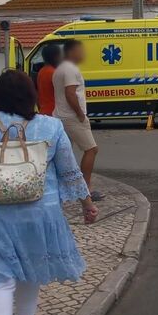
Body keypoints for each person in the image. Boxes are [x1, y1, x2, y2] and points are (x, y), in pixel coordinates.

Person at [0, 70, 98, 315]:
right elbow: (69, 171)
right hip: (39, 214)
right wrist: (87, 205)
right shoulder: (51, 126)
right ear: (30, 96)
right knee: (30, 273)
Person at [53, 39, 103, 201]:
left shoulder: (60, 69)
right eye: (79, 50)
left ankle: (67, 188)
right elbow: (70, 93)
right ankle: (86, 189)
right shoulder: (69, 69)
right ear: (71, 52)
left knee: (65, 155)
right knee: (91, 149)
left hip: (61, 116)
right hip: (72, 117)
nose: (83, 53)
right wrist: (80, 114)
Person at [36, 44, 62, 115]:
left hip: (43, 111)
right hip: (54, 113)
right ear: (55, 57)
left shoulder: (41, 72)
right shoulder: (54, 73)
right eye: (60, 56)